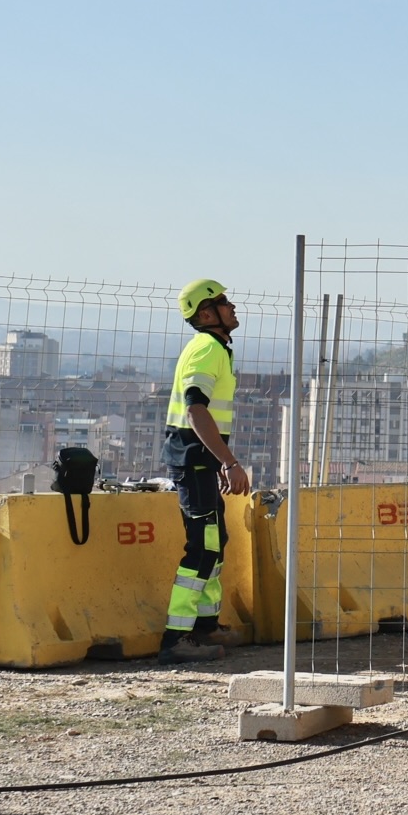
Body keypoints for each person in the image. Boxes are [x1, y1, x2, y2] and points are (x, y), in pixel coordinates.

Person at [158, 278, 252, 652]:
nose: (233, 307)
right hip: (194, 462)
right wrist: (228, 463)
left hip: (200, 462)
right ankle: (175, 638)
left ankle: (205, 627)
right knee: (202, 547)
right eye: (225, 302)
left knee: (215, 542)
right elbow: (196, 409)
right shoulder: (206, 350)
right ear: (207, 313)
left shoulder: (215, 348)